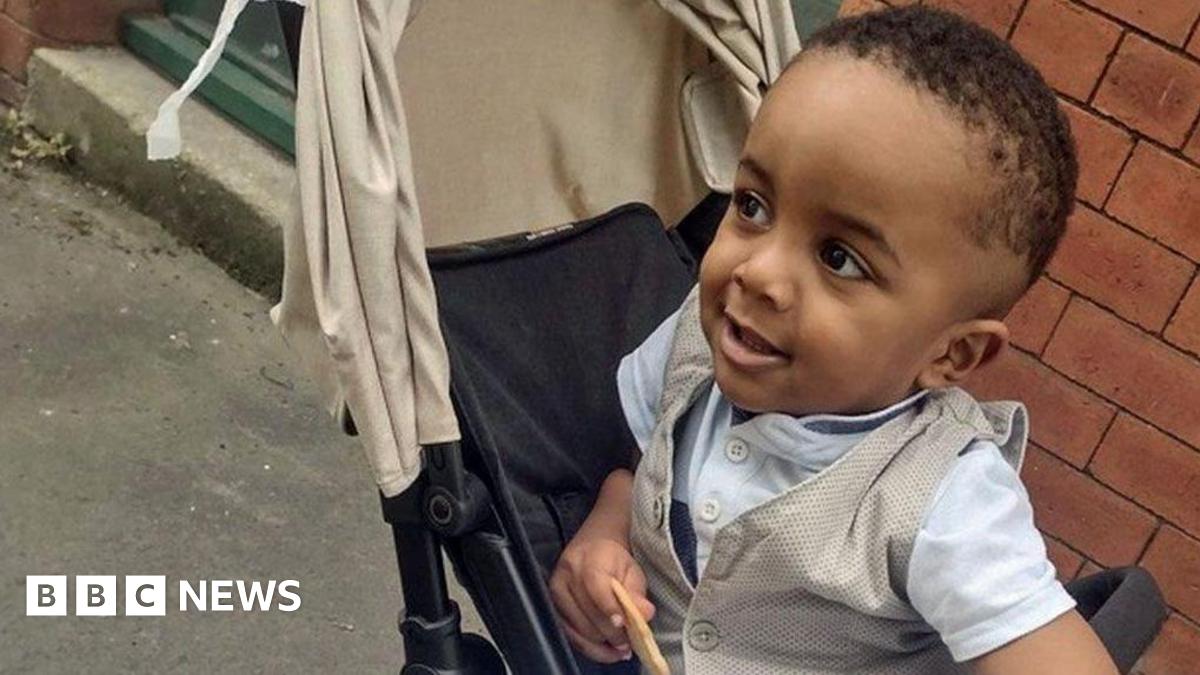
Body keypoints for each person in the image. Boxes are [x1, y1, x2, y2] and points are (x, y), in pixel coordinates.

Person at [549, 6, 1118, 674]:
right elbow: (640, 459)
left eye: (840, 258)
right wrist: (608, 526)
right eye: (753, 205)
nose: (756, 272)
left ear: (951, 354)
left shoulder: (942, 497)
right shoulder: (699, 347)